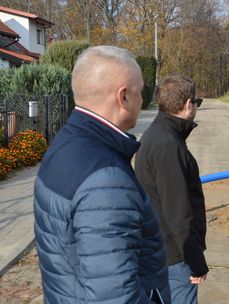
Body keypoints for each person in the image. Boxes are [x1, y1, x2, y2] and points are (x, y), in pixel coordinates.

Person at [34, 46, 170, 303]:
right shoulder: (105, 180)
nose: (142, 101)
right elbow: (115, 296)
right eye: (141, 92)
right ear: (124, 97)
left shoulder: (64, 144)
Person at [135, 75, 208, 304]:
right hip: (174, 256)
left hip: (161, 250)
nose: (196, 107)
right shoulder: (168, 145)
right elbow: (178, 214)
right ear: (188, 104)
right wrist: (196, 263)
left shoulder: (157, 134)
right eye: (196, 102)